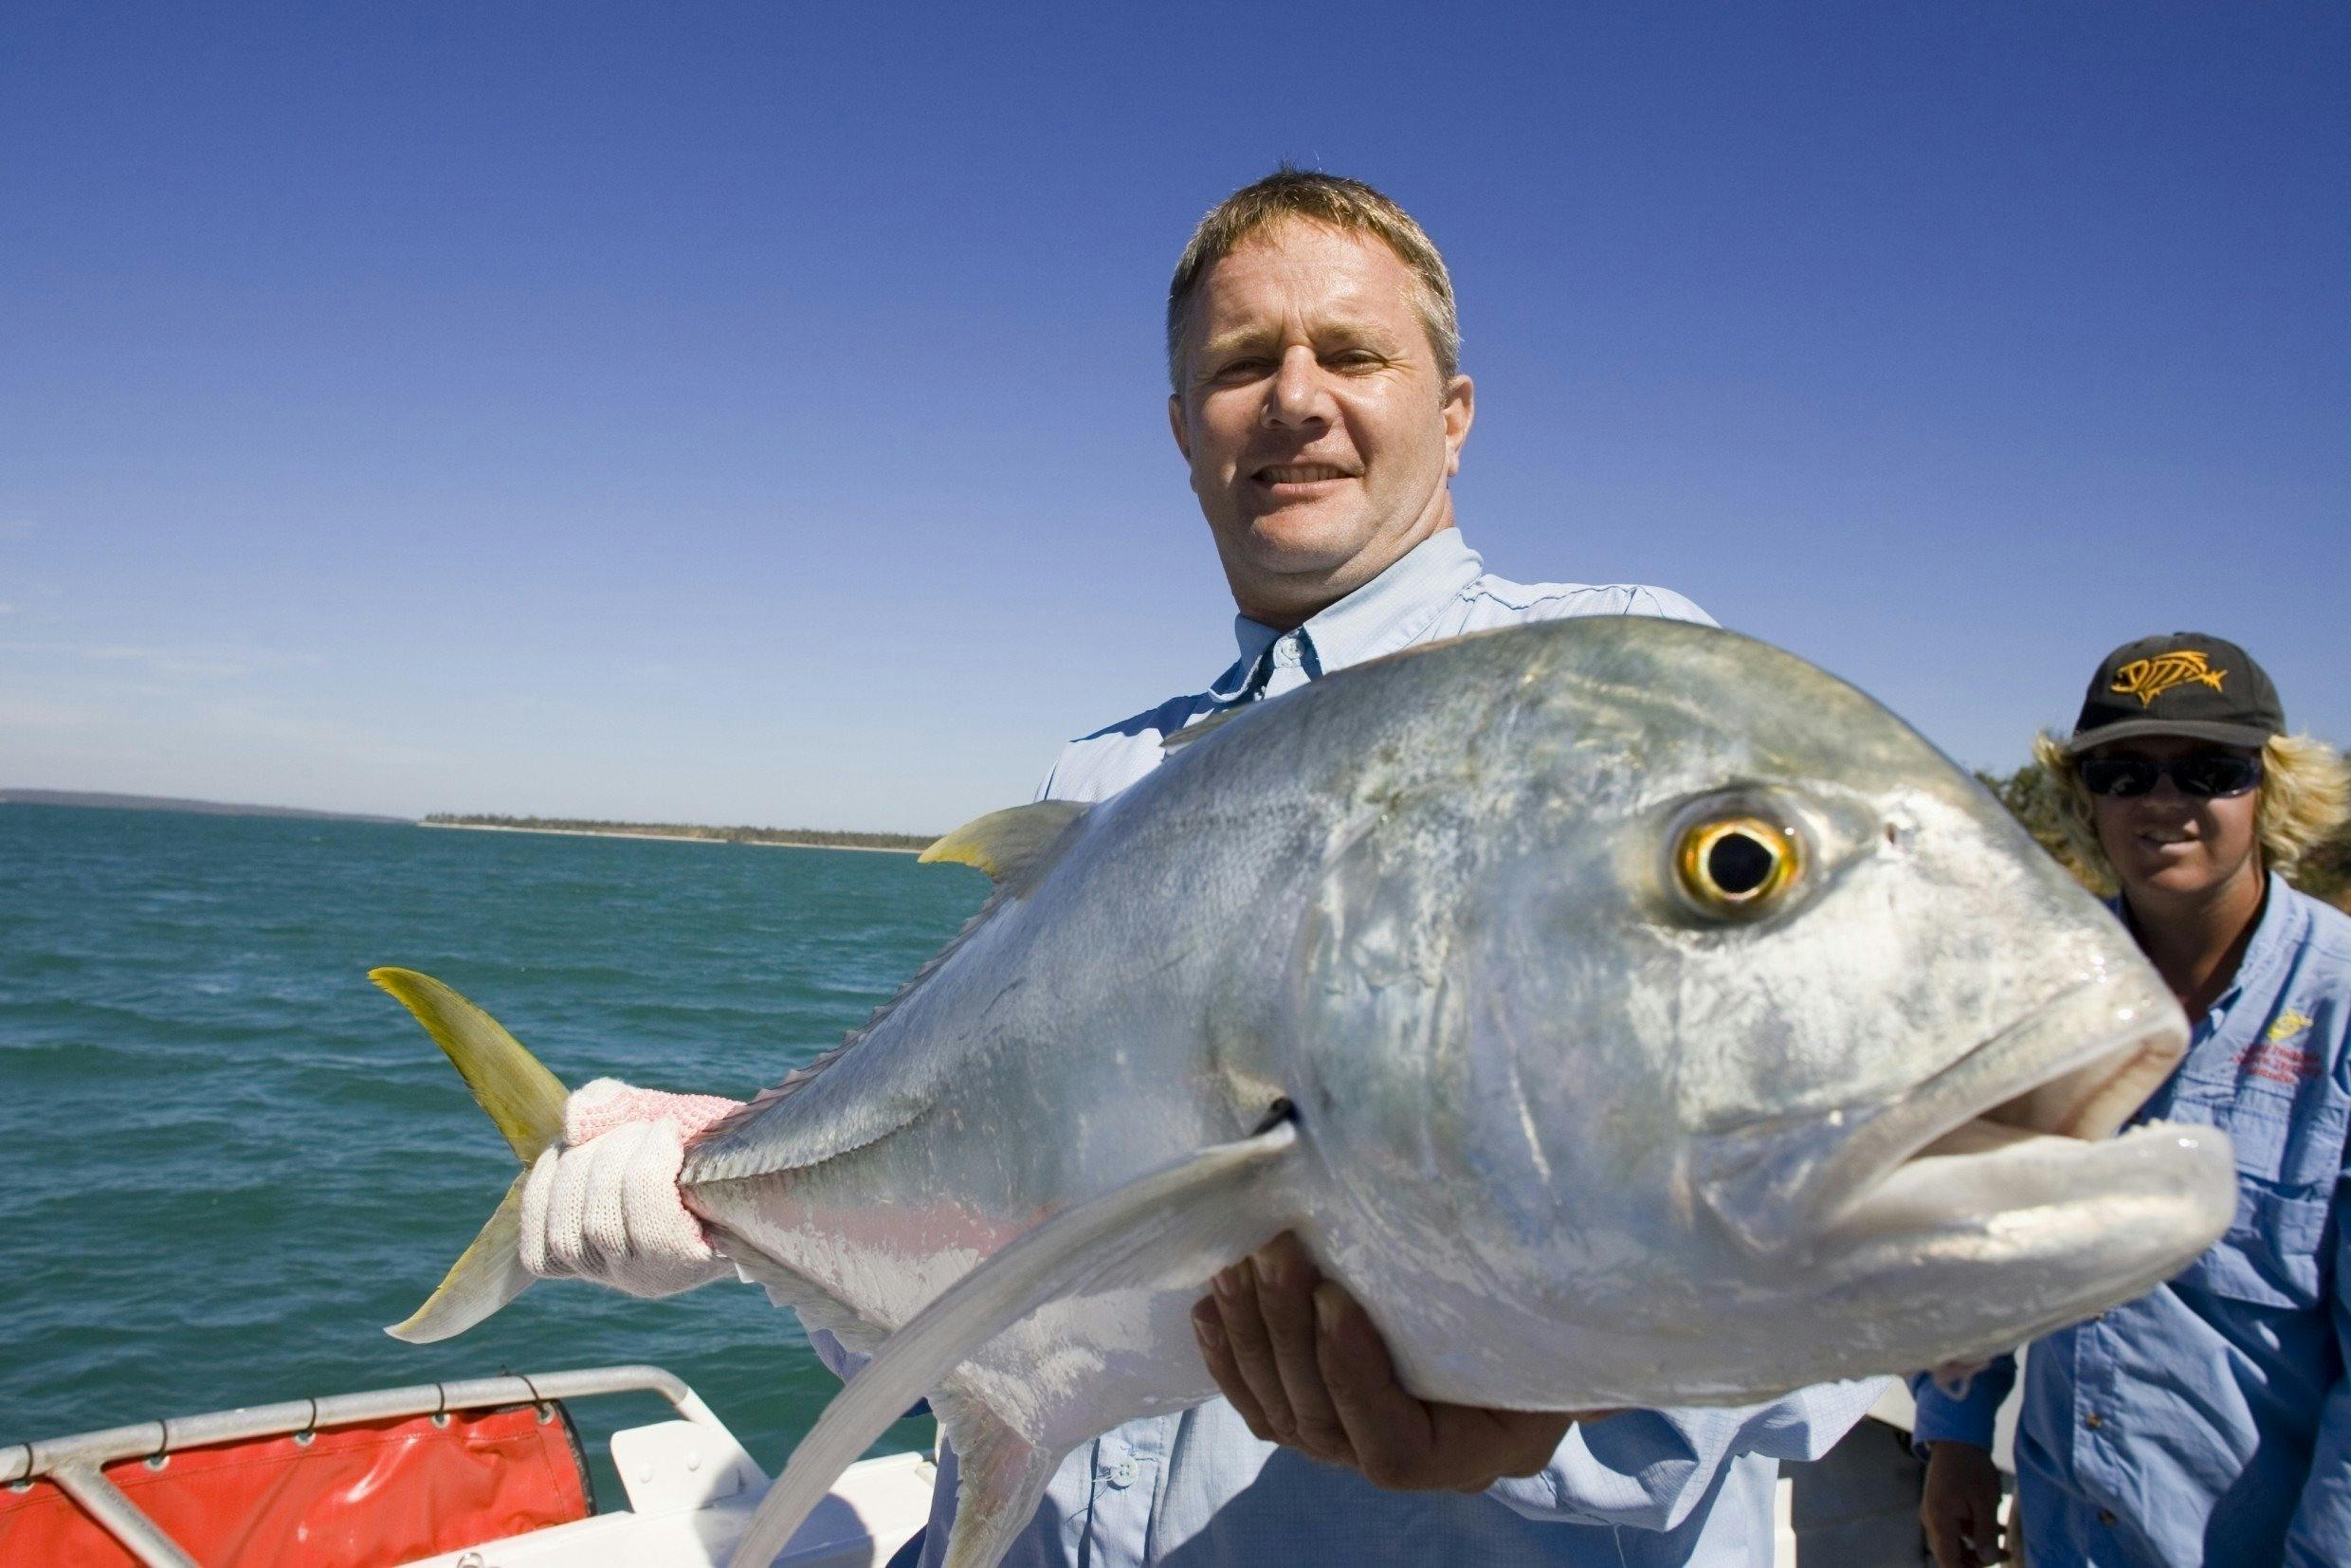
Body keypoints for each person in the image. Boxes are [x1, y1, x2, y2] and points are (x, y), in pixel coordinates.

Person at [519, 170, 1882, 1565]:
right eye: (1243, 365)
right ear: (1185, 432)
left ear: (1455, 416)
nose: (1297, 399)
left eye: (1354, 353)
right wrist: (725, 1206)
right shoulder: (1099, 782)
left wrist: (1542, 1416)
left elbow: (1814, 1211)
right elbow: (995, 1262)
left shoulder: (1606, 693)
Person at [1911, 632, 2351, 1567]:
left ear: (2266, 790)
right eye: (2121, 773)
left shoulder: (2339, 1008)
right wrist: (1953, 1440)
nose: (2161, 802)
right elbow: (1977, 1243)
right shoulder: (2037, 997)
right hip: (2062, 1531)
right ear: (2083, 798)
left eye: (2206, 770)